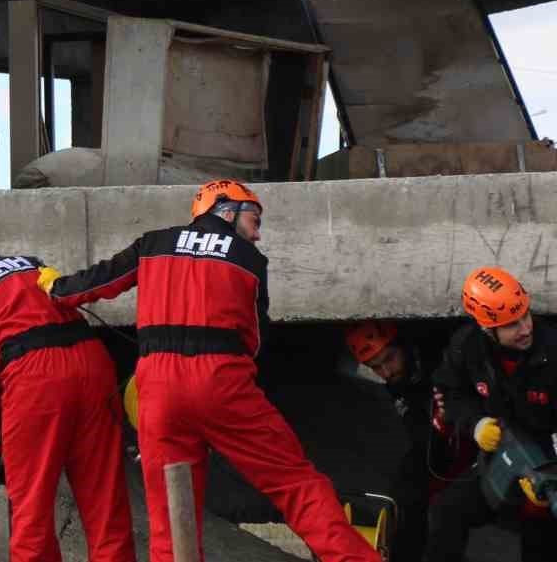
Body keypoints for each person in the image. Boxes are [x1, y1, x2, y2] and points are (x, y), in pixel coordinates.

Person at [45, 180, 381, 562]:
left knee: (170, 517)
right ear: (225, 209)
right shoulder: (249, 261)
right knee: (295, 483)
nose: (257, 231)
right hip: (221, 381)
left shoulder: (153, 244)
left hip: (157, 387)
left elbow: (96, 282)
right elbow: (254, 340)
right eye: (254, 218)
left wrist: (54, 286)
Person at [0, 227, 136, 562]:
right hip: (94, 365)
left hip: (36, 378)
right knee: (105, 500)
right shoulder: (29, 264)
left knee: (31, 508)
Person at [424, 266, 557, 561]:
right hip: (499, 461)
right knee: (447, 510)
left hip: (545, 467)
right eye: (511, 324)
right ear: (487, 329)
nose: (525, 329)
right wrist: (476, 424)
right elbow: (449, 392)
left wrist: (549, 475)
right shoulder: (467, 348)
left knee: (540, 533)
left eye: (525, 315)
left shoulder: (552, 351)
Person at [345, 320, 465, 562]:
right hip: (442, 440)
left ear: (404, 346)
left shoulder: (444, 358)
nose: (386, 372)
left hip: (479, 432)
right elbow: (421, 439)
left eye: (389, 359)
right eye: (375, 367)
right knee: (407, 488)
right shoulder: (398, 384)